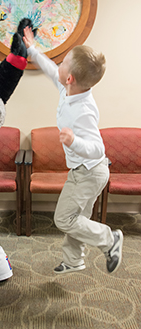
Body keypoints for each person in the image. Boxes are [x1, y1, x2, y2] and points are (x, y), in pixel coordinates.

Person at [23, 26, 123, 274]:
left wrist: (74, 142)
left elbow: (98, 148)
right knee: (78, 218)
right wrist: (32, 49)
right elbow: (49, 69)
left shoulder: (83, 110)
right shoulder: (69, 90)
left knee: (64, 219)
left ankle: (110, 240)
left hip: (89, 172)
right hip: (86, 171)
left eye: (64, 62)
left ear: (70, 78)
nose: (59, 63)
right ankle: (74, 260)